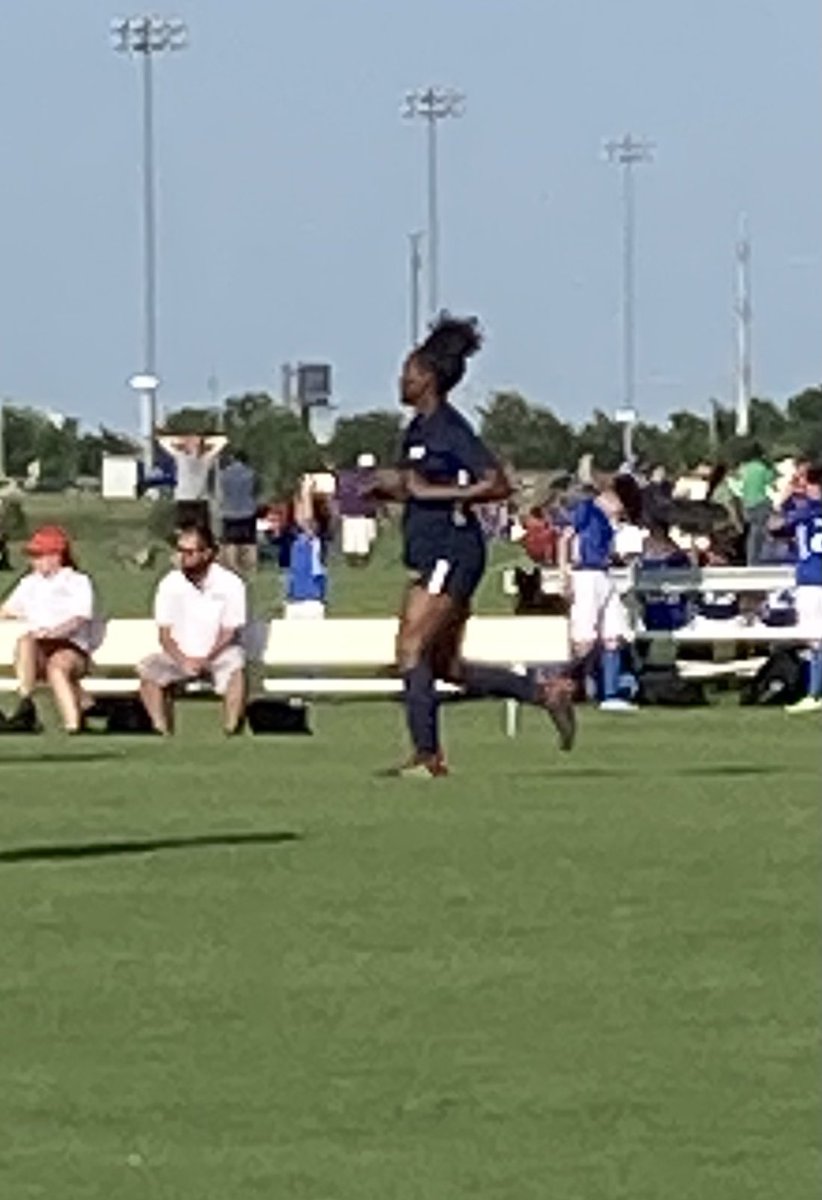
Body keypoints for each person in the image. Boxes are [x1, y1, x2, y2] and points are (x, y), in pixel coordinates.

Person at [367, 313, 575, 778]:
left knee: (411, 650)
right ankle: (545, 693)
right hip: (429, 550)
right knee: (448, 665)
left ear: (430, 380)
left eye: (410, 372)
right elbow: (422, 485)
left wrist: (427, 492)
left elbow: (496, 483)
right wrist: (392, 489)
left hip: (452, 548)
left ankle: (428, 758)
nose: (402, 379)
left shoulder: (449, 428)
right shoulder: (418, 430)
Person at [138, 523, 247, 735]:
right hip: (179, 656)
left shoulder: (230, 583)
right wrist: (183, 660)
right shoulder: (169, 584)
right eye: (180, 551)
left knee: (236, 664)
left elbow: (229, 631)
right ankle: (161, 731)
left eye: (189, 552)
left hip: (218, 652)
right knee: (149, 670)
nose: (183, 557)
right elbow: (165, 635)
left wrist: (207, 657)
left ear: (207, 553)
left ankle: (232, 729)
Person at [0, 526, 97, 732]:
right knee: (25, 641)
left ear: (57, 556)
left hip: (70, 645)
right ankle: (25, 701)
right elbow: (7, 610)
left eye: (39, 555)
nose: (34, 561)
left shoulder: (77, 581)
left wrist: (55, 632)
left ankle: (73, 723)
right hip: (39, 646)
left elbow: (80, 618)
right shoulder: (29, 583)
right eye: (33, 556)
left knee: (58, 666)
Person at [557, 475, 641, 712]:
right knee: (584, 638)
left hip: (604, 574)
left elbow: (606, 549)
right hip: (585, 575)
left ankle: (611, 693)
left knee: (612, 635)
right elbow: (565, 539)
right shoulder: (587, 510)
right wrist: (565, 573)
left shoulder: (609, 521)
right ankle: (563, 685)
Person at [773, 465, 822, 714]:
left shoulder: (804, 513)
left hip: (812, 581)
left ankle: (815, 693)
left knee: (815, 640)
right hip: (812, 580)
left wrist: (783, 499)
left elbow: (774, 527)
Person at [157, 433, 227, 530]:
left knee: (200, 532)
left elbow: (223, 441)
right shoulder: (182, 456)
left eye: (197, 444)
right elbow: (162, 442)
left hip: (198, 500)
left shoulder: (205, 458)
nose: (194, 446)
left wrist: (191, 440)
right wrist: (185, 440)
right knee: (184, 531)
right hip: (187, 500)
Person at [284, 480, 328, 619]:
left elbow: (307, 519)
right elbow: (302, 518)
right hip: (295, 600)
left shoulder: (313, 540)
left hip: (311, 601)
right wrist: (299, 497)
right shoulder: (298, 539)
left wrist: (306, 493)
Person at [219, 449, 259, 573]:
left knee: (230, 540)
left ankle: (232, 566)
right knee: (249, 541)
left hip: (229, 511)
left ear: (233, 458)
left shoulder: (224, 473)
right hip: (248, 510)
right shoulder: (251, 473)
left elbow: (223, 492)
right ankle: (250, 567)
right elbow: (255, 492)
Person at [737, 442, 775, 564]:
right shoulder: (762, 468)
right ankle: (756, 558)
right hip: (759, 502)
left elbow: (739, 483)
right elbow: (771, 480)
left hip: (746, 504)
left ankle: (751, 558)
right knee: (758, 532)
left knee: (753, 532)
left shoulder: (743, 468)